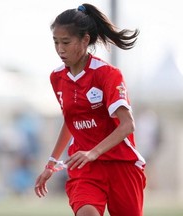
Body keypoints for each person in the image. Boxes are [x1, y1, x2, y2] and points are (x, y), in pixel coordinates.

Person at [34, 3, 146, 216]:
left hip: (121, 165)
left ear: (85, 40)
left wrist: (94, 152)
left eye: (66, 42)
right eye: (56, 42)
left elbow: (127, 124)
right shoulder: (56, 77)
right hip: (85, 166)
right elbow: (71, 121)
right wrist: (51, 163)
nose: (60, 49)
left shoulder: (107, 74)